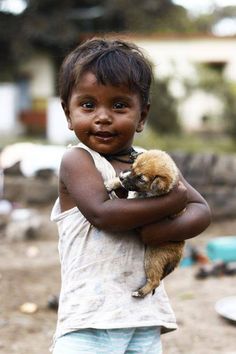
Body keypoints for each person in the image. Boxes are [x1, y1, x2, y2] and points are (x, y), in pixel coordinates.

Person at [51, 37, 211, 354]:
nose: (103, 116)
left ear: (142, 116)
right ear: (68, 114)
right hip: (89, 321)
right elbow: (102, 214)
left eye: (119, 105)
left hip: (143, 318)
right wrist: (171, 201)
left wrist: (162, 232)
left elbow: (201, 209)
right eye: (87, 105)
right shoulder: (78, 161)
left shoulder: (148, 163)